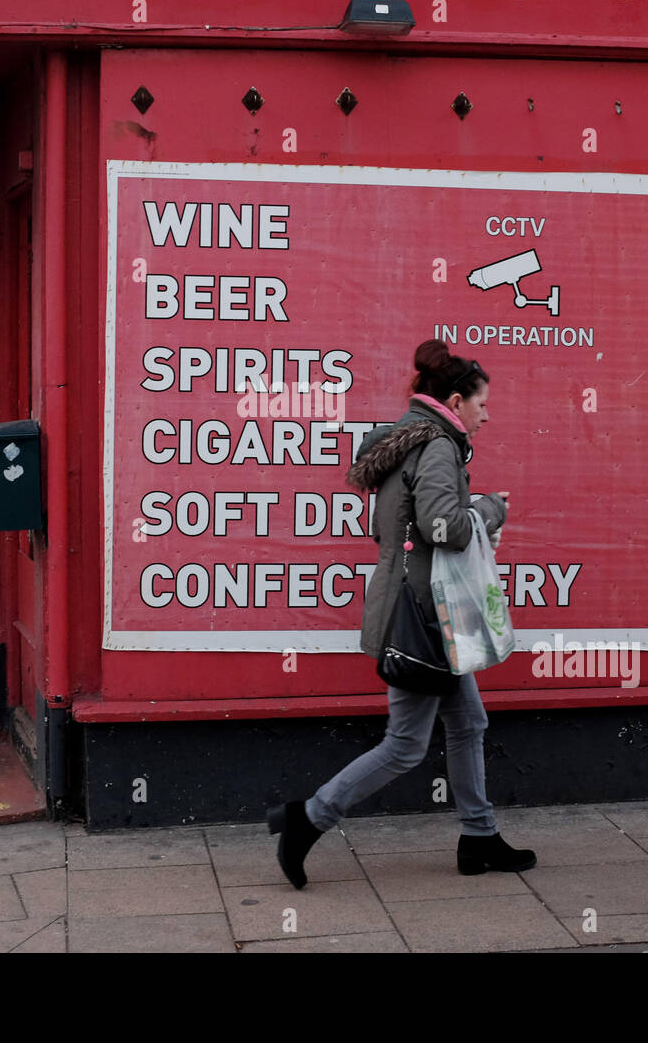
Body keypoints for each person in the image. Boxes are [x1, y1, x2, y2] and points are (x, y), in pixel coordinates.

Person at [267, 339, 535, 889]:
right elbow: (446, 528)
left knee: (468, 723)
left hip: (411, 605)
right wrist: (489, 507)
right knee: (407, 743)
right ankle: (307, 819)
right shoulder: (437, 446)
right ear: (456, 401)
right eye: (482, 403)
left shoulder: (403, 442)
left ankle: (479, 837)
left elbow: (387, 531)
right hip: (424, 618)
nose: (487, 413)